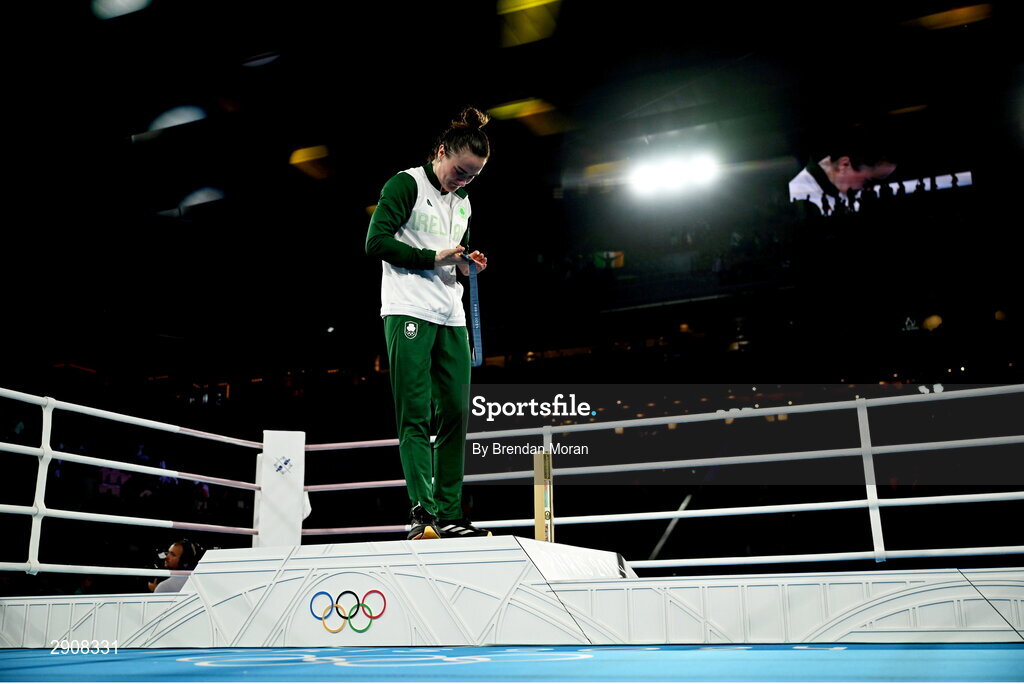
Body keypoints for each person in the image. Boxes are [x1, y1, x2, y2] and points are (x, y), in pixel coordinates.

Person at [366, 107, 493, 540]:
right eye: (459, 171)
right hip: (407, 309)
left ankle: (450, 513)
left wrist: (465, 264)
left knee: (456, 411)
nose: (463, 181)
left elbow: (449, 254)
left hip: (451, 313)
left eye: (472, 176)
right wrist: (433, 258)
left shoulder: (464, 202)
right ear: (441, 152)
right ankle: (422, 512)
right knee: (416, 413)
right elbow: (376, 241)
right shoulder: (405, 184)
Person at [789, 127, 898, 215]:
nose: (869, 189)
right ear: (844, 164)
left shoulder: (847, 196)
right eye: (867, 181)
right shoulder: (795, 197)